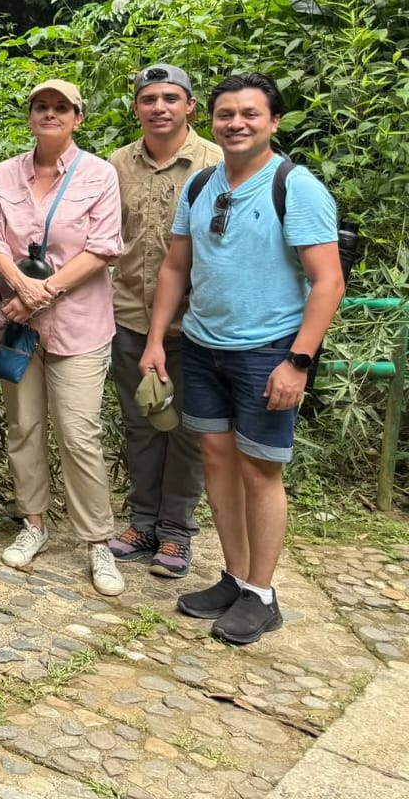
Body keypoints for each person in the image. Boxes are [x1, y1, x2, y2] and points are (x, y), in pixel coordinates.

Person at [141, 72, 342, 645]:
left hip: (268, 351)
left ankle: (262, 593)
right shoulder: (202, 184)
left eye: (250, 114)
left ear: (273, 121)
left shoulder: (295, 187)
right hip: (203, 345)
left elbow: (328, 281)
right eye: (226, 114)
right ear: (211, 121)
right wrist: (155, 340)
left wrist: (298, 361)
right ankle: (234, 577)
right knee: (217, 460)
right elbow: (175, 266)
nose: (236, 123)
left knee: (259, 469)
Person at [0, 80, 126, 597]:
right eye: (41, 106)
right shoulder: (3, 174)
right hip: (15, 324)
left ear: (77, 117)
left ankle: (97, 540)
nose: (50, 114)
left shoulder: (99, 174)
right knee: (23, 426)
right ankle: (34, 523)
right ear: (30, 116)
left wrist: (40, 294)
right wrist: (22, 289)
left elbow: (103, 248)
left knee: (79, 433)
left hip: (78, 325)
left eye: (61, 107)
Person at [106, 65, 221, 580]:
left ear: (190, 105)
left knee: (190, 430)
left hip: (197, 326)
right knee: (142, 425)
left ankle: (176, 529)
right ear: (136, 107)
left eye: (170, 98)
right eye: (148, 99)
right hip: (129, 316)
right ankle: (142, 522)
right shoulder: (115, 165)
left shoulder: (217, 163)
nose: (159, 107)